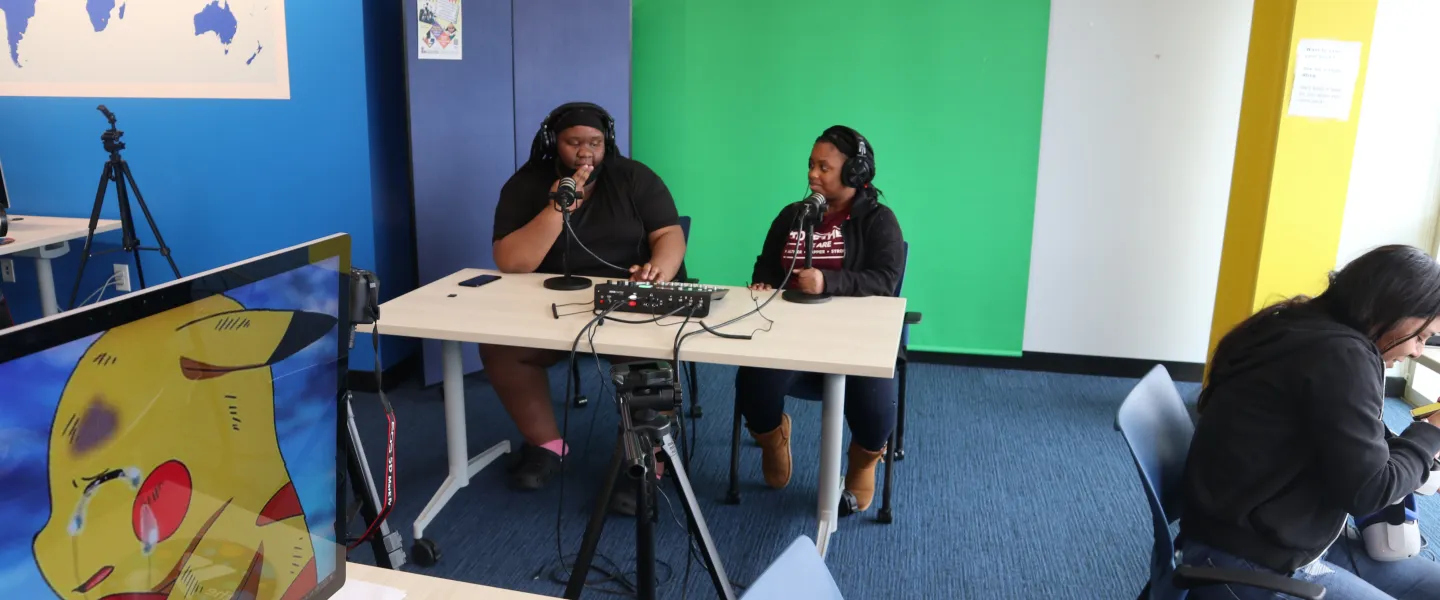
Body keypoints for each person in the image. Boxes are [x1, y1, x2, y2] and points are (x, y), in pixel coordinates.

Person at [1179, 244, 1440, 600]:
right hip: (1248, 556)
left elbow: (1354, 438)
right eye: (1421, 336)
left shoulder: (1300, 323)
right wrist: (1431, 432)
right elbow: (1369, 492)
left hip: (1282, 530)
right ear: (1392, 307)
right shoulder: (1343, 356)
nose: (1416, 351)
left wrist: (1420, 456)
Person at [482, 102, 687, 494]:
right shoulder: (526, 184)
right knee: (501, 346)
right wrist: (558, 209)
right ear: (552, 142)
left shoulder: (634, 178)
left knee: (645, 358)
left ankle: (642, 463)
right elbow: (512, 261)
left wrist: (659, 267)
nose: (585, 152)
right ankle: (547, 446)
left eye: (595, 142)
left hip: (626, 298)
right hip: (549, 306)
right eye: (573, 142)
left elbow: (668, 234)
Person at [735, 125, 905, 514]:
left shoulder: (880, 220)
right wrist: (764, 284)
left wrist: (829, 280)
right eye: (811, 165)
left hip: (855, 339)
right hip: (790, 337)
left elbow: (886, 279)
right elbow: (766, 265)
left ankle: (863, 462)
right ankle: (772, 438)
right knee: (752, 385)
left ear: (855, 172)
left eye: (824, 167)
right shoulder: (792, 215)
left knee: (876, 408)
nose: (812, 174)